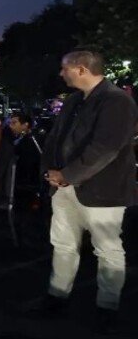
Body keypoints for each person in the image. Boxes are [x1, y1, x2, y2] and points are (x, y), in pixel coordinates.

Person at [36, 50, 137, 334]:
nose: (61, 73)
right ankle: (57, 296)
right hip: (64, 186)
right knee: (64, 244)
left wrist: (66, 175)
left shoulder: (118, 101)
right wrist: (50, 172)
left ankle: (107, 307)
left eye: (64, 68)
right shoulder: (73, 101)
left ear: (81, 69)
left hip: (103, 190)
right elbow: (55, 138)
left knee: (107, 249)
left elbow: (105, 148)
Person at [8, 112, 42, 208]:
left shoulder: (32, 139)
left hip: (29, 183)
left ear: (25, 125)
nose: (11, 126)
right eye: (10, 123)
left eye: (14, 123)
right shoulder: (21, 138)